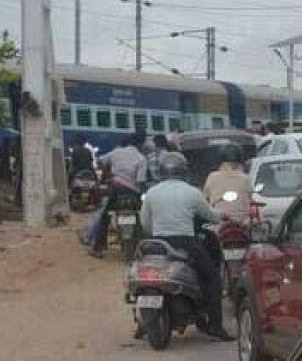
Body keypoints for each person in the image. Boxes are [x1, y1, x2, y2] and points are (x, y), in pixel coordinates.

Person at [139, 152, 234, 341]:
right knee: (212, 279)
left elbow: (145, 223)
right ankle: (215, 326)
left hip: (158, 243)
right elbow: (210, 215)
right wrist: (223, 216)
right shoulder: (192, 192)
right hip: (186, 242)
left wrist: (156, 234)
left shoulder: (152, 192)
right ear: (184, 170)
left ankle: (142, 323)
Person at [83, 134, 148, 254]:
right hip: (133, 193)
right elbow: (141, 181)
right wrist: (145, 193)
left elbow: (99, 161)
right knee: (140, 217)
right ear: (140, 145)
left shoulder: (116, 152)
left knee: (105, 217)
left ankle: (98, 248)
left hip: (116, 190)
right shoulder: (141, 158)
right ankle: (140, 247)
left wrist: (107, 171)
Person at [203, 144, 253, 224]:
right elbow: (250, 198)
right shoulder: (245, 178)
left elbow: (206, 197)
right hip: (242, 223)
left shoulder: (212, 177)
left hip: (219, 223)